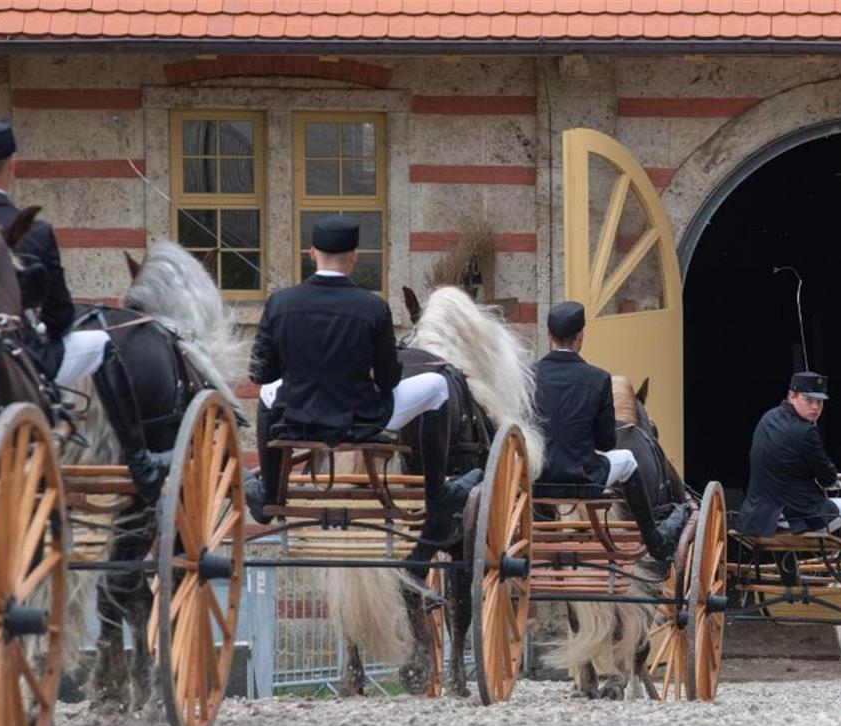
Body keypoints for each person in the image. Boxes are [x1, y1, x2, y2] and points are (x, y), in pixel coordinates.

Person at [247, 216, 482, 568]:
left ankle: (267, 494)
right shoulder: (372, 307)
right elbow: (388, 378)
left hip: (297, 419)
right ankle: (437, 493)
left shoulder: (280, 303)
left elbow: (261, 372)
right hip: (361, 422)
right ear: (354, 256)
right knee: (437, 386)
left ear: (313, 253)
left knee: (268, 389)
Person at [0, 122, 169, 502]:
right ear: (13, 165)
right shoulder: (34, 231)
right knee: (103, 344)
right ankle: (141, 462)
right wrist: (52, 327)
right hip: (16, 355)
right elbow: (58, 313)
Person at [532, 301, 683, 561]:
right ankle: (653, 540)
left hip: (537, 480)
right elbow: (606, 440)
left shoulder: (529, 375)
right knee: (627, 460)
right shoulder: (598, 378)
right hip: (583, 482)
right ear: (581, 336)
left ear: (549, 335)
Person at [739, 371, 841, 601]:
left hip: (761, 515)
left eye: (819, 402)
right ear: (791, 396)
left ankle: (790, 579)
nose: (815, 408)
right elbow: (828, 478)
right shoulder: (806, 431)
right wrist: (831, 481)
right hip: (794, 516)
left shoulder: (767, 419)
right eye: (808, 401)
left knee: (789, 501)